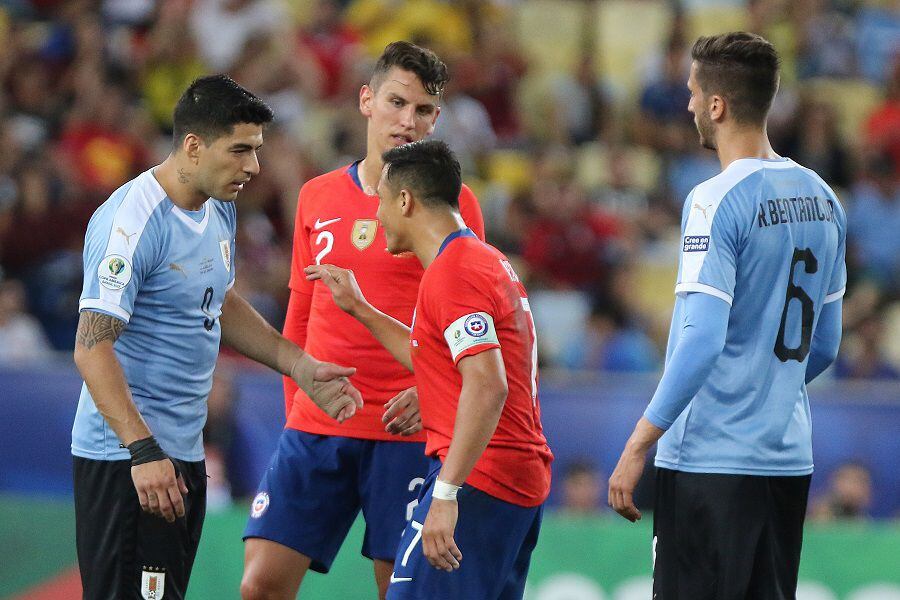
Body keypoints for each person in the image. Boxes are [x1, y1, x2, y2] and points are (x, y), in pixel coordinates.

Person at [72, 75, 363, 600]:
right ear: (193, 146)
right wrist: (142, 452)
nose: (253, 166)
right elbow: (91, 347)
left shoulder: (218, 205)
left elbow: (218, 300)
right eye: (240, 150)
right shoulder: (131, 223)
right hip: (127, 461)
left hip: (181, 455)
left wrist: (299, 365)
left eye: (257, 150)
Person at [240, 41, 485, 600]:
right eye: (397, 102)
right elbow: (300, 313)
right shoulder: (315, 196)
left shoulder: (456, 204)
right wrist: (297, 407)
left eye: (423, 110)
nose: (407, 121)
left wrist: (435, 394)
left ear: (436, 119)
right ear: (366, 100)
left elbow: (473, 320)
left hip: (405, 430)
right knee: (259, 586)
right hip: (317, 428)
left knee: (396, 594)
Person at [607, 32, 846, 599]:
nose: (688, 104)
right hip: (787, 460)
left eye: (692, 93)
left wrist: (639, 442)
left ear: (716, 104)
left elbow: (700, 343)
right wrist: (767, 387)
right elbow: (827, 344)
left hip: (710, 461)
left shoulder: (714, 198)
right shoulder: (824, 197)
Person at [307, 139, 552, 600]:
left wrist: (446, 492)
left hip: (483, 478)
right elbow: (434, 357)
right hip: (511, 477)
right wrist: (359, 308)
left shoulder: (454, 273)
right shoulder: (482, 259)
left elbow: (488, 384)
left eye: (380, 201)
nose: (377, 216)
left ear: (405, 201)